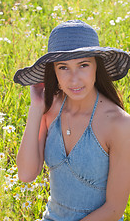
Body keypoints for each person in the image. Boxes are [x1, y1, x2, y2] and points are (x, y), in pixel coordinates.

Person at [13, 20, 130, 221]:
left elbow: (114, 209)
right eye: (63, 67)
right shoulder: (52, 108)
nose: (74, 79)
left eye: (83, 65)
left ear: (96, 66)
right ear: (54, 72)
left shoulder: (119, 125)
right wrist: (36, 108)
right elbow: (26, 174)